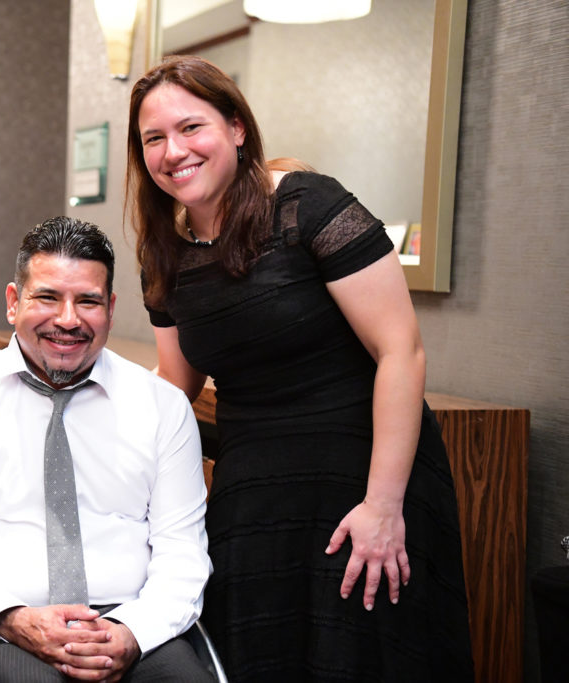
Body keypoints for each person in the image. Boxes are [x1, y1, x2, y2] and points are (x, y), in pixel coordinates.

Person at [126, 55, 473, 682]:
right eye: (154, 138)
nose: (173, 150)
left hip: (364, 476)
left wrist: (383, 506)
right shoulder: (163, 253)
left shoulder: (307, 206)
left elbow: (401, 352)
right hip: (253, 490)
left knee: (365, 658)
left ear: (236, 128)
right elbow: (176, 384)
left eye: (191, 127)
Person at [0, 217, 213, 683]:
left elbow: (182, 551)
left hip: (130, 621)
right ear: (12, 302)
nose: (67, 319)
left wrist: (133, 631)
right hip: (1, 624)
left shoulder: (162, 409)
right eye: (47, 297)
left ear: (110, 307)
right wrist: (14, 618)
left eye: (87, 301)